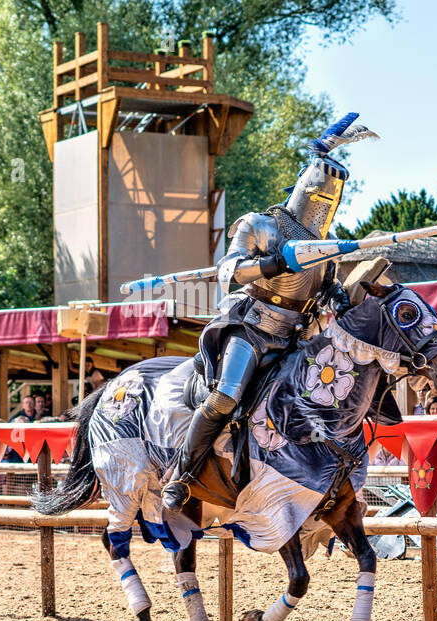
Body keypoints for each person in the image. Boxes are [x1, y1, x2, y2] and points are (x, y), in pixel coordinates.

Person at [161, 111, 378, 513]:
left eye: (332, 198)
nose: (325, 203)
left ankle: (325, 486)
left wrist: (342, 300)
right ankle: (182, 474)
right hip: (250, 327)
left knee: (326, 394)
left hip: (295, 337)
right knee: (226, 397)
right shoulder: (262, 225)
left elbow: (328, 289)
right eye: (321, 194)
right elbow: (229, 270)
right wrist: (277, 263)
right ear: (306, 188)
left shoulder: (326, 246)